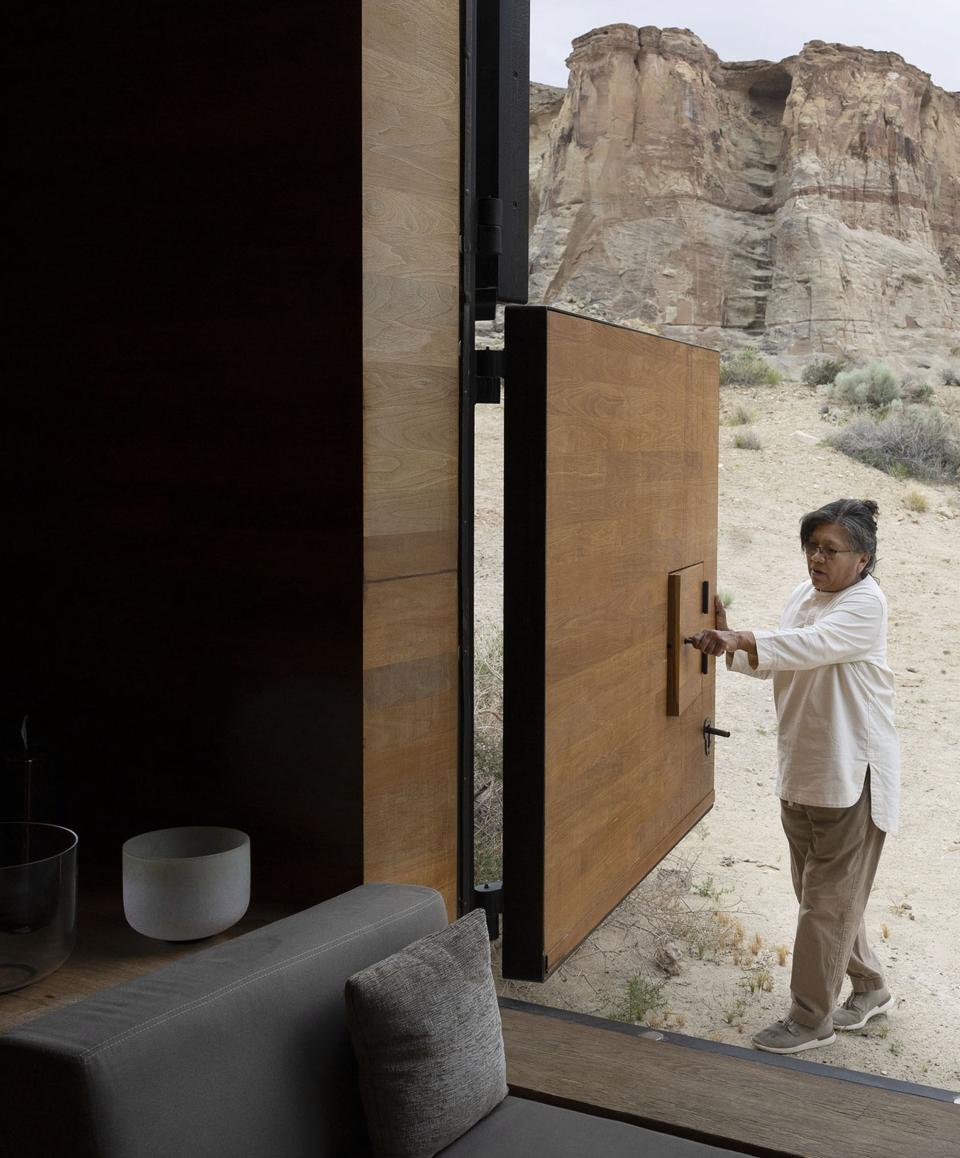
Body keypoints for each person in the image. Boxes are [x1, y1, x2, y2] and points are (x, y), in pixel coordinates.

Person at [688, 498, 900, 1055]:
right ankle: (871, 987)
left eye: (830, 549)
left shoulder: (866, 605)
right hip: (804, 771)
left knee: (825, 902)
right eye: (811, 547)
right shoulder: (804, 596)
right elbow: (785, 658)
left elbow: (811, 646)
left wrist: (743, 639)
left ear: (864, 558)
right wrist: (733, 645)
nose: (816, 558)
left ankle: (811, 1020)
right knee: (821, 895)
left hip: (851, 777)